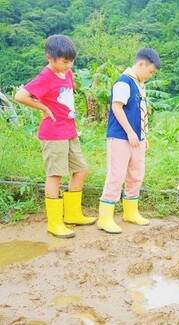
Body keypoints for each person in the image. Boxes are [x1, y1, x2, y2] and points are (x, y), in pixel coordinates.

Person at [14, 35, 96, 238]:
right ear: (49, 58)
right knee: (56, 175)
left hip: (69, 130)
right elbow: (20, 96)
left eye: (71, 61)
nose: (69, 65)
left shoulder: (66, 73)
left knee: (81, 170)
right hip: (53, 133)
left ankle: (73, 214)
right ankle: (54, 223)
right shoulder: (46, 77)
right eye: (64, 61)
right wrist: (42, 107)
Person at [97, 48, 161, 234]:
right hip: (120, 137)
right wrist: (131, 133)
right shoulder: (124, 82)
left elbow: (140, 112)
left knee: (136, 174)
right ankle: (105, 217)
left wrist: (143, 136)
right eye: (150, 72)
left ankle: (130, 212)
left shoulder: (140, 84)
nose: (150, 76)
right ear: (141, 64)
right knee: (116, 175)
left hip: (137, 139)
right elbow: (117, 108)